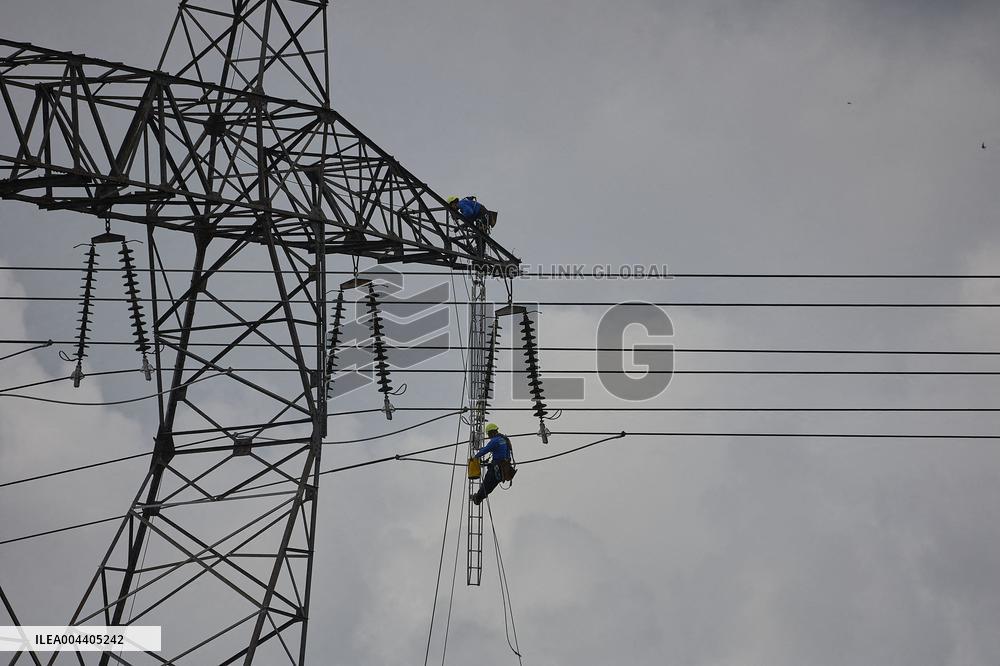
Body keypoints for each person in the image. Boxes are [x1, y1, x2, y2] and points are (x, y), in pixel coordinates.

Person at [471, 423, 515, 505]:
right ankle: (479, 498)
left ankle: (477, 498)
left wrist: (475, 457)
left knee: (486, 484)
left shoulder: (494, 441)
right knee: (490, 487)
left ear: (491, 432)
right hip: (505, 469)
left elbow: (486, 450)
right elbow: (500, 451)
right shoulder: (504, 439)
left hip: (496, 468)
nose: (488, 437)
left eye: (488, 434)